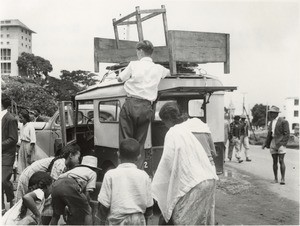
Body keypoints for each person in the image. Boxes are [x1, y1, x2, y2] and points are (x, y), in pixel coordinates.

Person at [152, 102, 218, 225]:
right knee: (201, 219)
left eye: (164, 122)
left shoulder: (174, 132)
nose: (165, 126)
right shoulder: (198, 126)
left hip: (193, 183)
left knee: (181, 219)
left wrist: (158, 184)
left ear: (168, 119)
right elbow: (212, 153)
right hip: (209, 177)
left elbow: (168, 163)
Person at [117, 40, 170, 168]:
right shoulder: (158, 68)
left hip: (131, 104)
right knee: (139, 143)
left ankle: (124, 172)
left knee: (126, 141)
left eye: (137, 51)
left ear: (140, 51)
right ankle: (137, 171)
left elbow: (120, 79)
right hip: (146, 107)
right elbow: (168, 73)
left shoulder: (133, 65)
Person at [98, 138, 153, 225]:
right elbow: (149, 207)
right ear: (139, 157)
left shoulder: (110, 175)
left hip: (117, 221)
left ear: (118, 154)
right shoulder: (144, 176)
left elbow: (103, 205)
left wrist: (101, 222)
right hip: (138, 221)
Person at [16, 143, 81, 202]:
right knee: (23, 203)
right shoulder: (60, 164)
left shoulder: (63, 164)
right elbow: (53, 187)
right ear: (71, 155)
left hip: (31, 177)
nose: (79, 160)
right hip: (27, 177)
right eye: (78, 157)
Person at [50, 155, 100, 225]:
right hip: (71, 184)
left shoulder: (74, 169)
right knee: (88, 211)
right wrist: (86, 205)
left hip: (56, 184)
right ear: (94, 168)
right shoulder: (92, 173)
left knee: (56, 214)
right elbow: (87, 193)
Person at [263, 106, 290, 185]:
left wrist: (283, 143)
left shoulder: (283, 121)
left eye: (272, 113)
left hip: (281, 143)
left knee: (281, 160)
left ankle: (283, 178)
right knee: (274, 161)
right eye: (270, 113)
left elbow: (287, 134)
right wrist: (266, 143)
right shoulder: (271, 122)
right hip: (273, 142)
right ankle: (275, 178)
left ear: (276, 113)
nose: (271, 114)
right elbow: (269, 134)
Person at [1, 93, 18, 214]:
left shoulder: (10, 119)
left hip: (7, 155)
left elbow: (13, 139)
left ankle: (11, 199)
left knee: (4, 181)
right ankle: (2, 206)